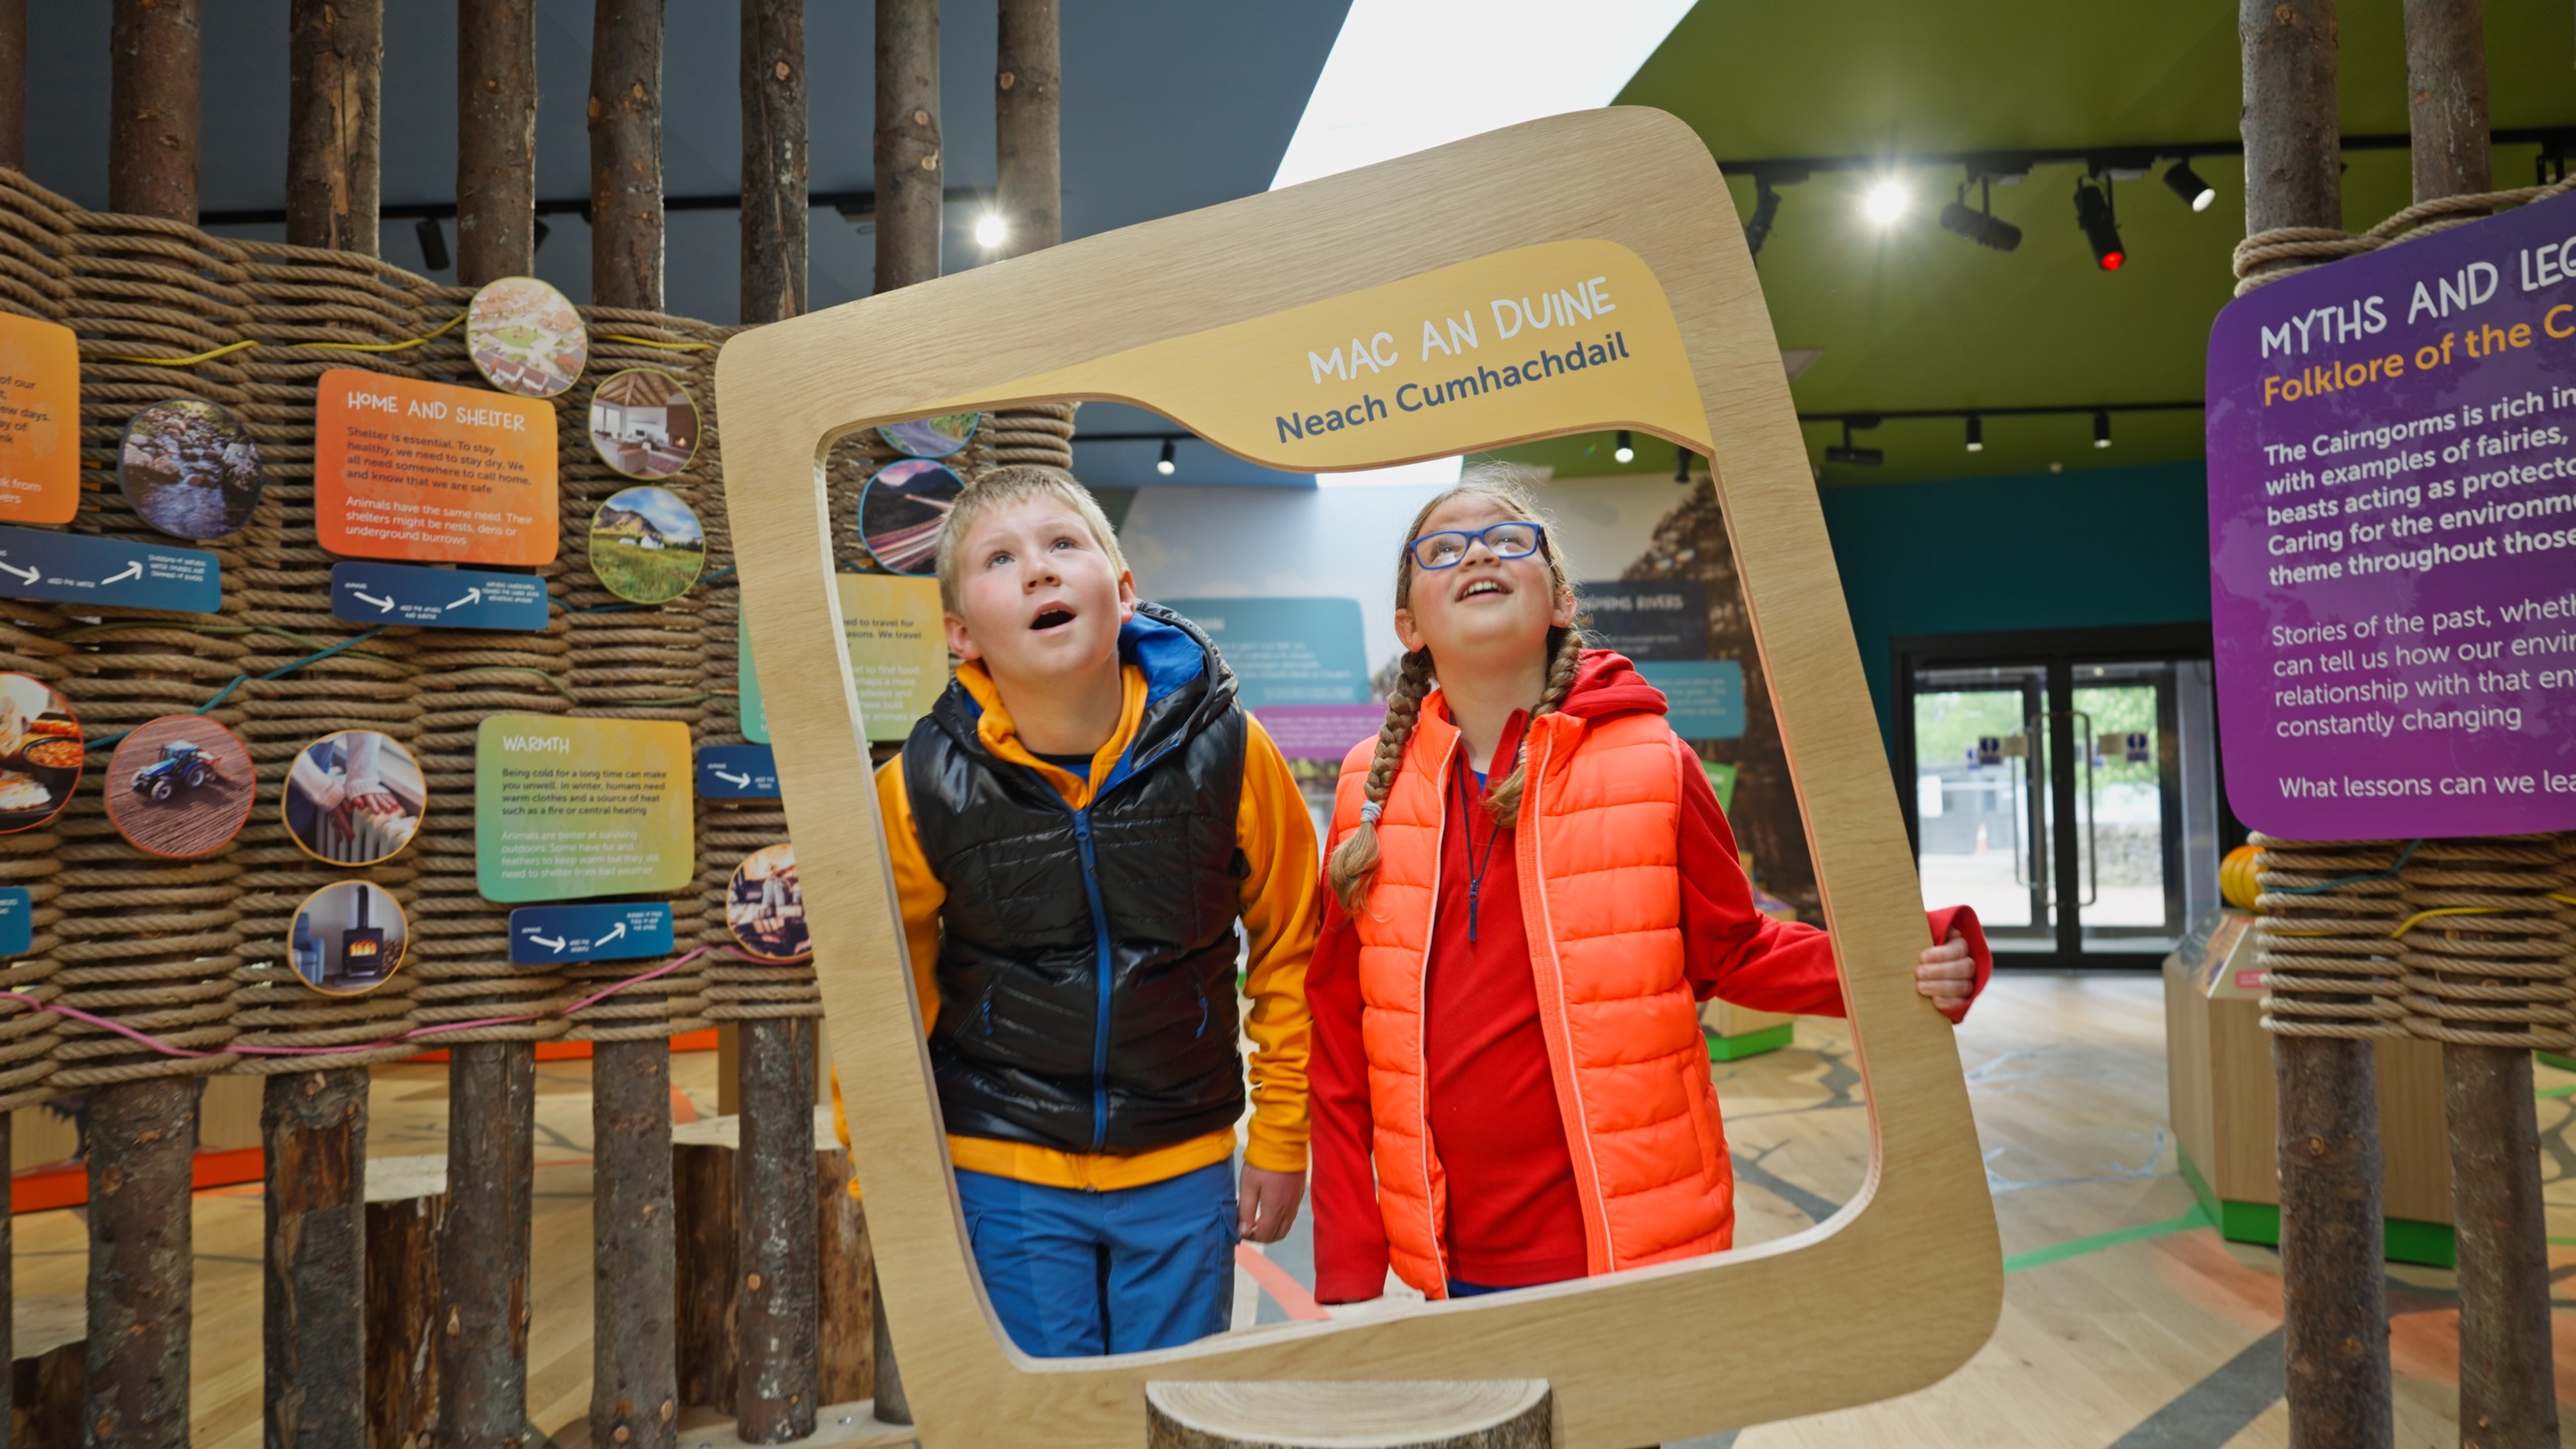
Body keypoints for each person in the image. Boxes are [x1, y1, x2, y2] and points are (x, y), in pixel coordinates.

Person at [1308, 470, 1990, 1308]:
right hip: (1453, 1260)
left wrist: (1909, 956)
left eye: (1509, 539)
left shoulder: (1652, 761)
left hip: (1633, 1245)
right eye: (1442, 548)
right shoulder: (1362, 797)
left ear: (1559, 601)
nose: (1478, 551)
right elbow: (1341, 1037)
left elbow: (1735, 948)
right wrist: (1347, 1264)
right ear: (1409, 625)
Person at [858, 464, 1318, 1357]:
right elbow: (883, 995)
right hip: (1003, 1163)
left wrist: (1283, 1134)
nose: (1038, 570)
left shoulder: (1233, 751)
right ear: (960, 633)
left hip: (1183, 1157)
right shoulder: (915, 788)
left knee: (1168, 1412)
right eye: (1000, 558)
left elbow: (1292, 948)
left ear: (1126, 590)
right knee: (1048, 1424)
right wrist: (889, 1174)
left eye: (1064, 544)